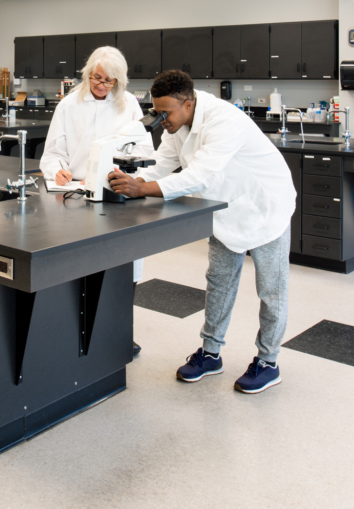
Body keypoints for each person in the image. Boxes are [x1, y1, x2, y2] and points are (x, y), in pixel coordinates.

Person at [107, 70, 295, 393]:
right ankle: (211, 353)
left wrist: (143, 190)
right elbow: (160, 166)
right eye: (156, 111)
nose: (160, 119)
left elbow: (199, 176)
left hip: (266, 206)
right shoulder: (175, 125)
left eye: (165, 113)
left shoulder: (224, 121)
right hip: (226, 208)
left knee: (271, 290)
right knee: (219, 283)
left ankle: (268, 360)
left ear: (188, 103)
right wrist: (130, 180)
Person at [40, 46, 154, 356]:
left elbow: (146, 151)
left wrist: (131, 171)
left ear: (120, 81)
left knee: (124, 266)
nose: (101, 85)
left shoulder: (129, 104)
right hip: (77, 194)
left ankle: (119, 333)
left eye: (109, 81)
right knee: (80, 266)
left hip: (119, 194)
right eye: (96, 78)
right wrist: (58, 171)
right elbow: (52, 154)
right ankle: (80, 338)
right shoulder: (68, 105)